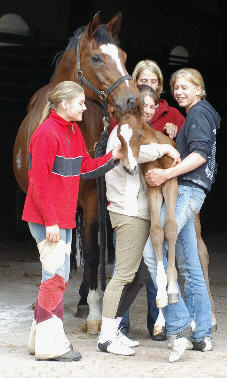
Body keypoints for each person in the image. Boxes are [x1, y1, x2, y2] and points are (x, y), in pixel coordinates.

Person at [22, 81, 123, 362]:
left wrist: (113, 157)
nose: (84, 107)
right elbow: (38, 182)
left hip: (61, 218)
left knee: (56, 277)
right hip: (48, 219)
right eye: (80, 103)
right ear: (64, 104)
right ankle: (50, 346)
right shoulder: (46, 134)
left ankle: (38, 340)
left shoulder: (73, 131)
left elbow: (85, 167)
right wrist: (51, 221)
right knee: (55, 278)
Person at [143, 68, 220, 361]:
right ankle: (201, 334)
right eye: (176, 87)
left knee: (154, 250)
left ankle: (178, 323)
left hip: (186, 190)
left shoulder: (199, 114)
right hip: (191, 191)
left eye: (186, 87)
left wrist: (166, 173)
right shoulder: (202, 113)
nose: (179, 92)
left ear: (199, 89)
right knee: (190, 265)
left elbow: (199, 155)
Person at [97, 90, 181, 356]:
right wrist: (166, 147)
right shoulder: (120, 132)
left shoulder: (134, 129)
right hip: (128, 212)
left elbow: (140, 148)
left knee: (140, 274)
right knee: (122, 274)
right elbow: (134, 155)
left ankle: (114, 330)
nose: (145, 110)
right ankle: (107, 337)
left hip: (140, 212)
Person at [118, 59, 185, 340]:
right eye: (143, 79)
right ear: (135, 81)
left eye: (154, 81)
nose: (149, 84)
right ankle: (118, 322)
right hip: (131, 196)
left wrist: (175, 133)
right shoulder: (127, 114)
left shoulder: (173, 114)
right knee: (128, 263)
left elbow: (184, 148)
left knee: (154, 255)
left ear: (160, 86)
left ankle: (156, 321)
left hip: (159, 191)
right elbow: (120, 142)